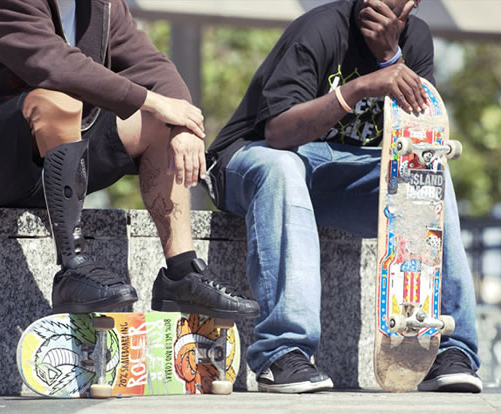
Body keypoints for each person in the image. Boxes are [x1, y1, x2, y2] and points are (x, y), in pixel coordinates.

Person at [0, 0, 259, 321]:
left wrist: (184, 122)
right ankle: (72, 267)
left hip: (48, 159)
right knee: (57, 99)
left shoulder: (100, 5)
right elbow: (56, 66)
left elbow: (150, 64)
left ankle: (182, 274)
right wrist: (153, 101)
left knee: (159, 123)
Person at [205, 0, 482, 393]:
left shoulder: (415, 40)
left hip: (340, 179)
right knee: (282, 167)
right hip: (254, 159)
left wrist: (391, 59)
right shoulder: (320, 29)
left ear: (413, 4)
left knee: (428, 166)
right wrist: (359, 88)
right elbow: (278, 134)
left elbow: (422, 132)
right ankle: (281, 354)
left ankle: (450, 348)